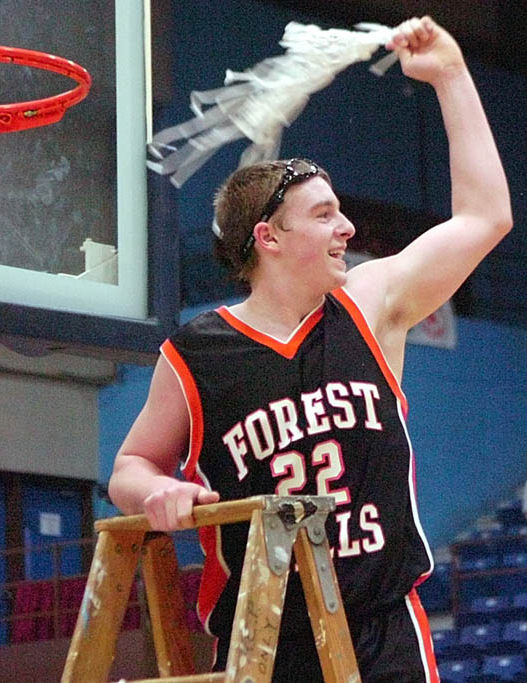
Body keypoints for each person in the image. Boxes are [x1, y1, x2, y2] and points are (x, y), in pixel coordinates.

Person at [108, 16, 511, 682]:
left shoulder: (372, 300)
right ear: (268, 237)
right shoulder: (195, 353)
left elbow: (485, 216)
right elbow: (130, 464)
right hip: (264, 643)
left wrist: (451, 74)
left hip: (381, 633)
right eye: (324, 213)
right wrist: (155, 490)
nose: (347, 227)